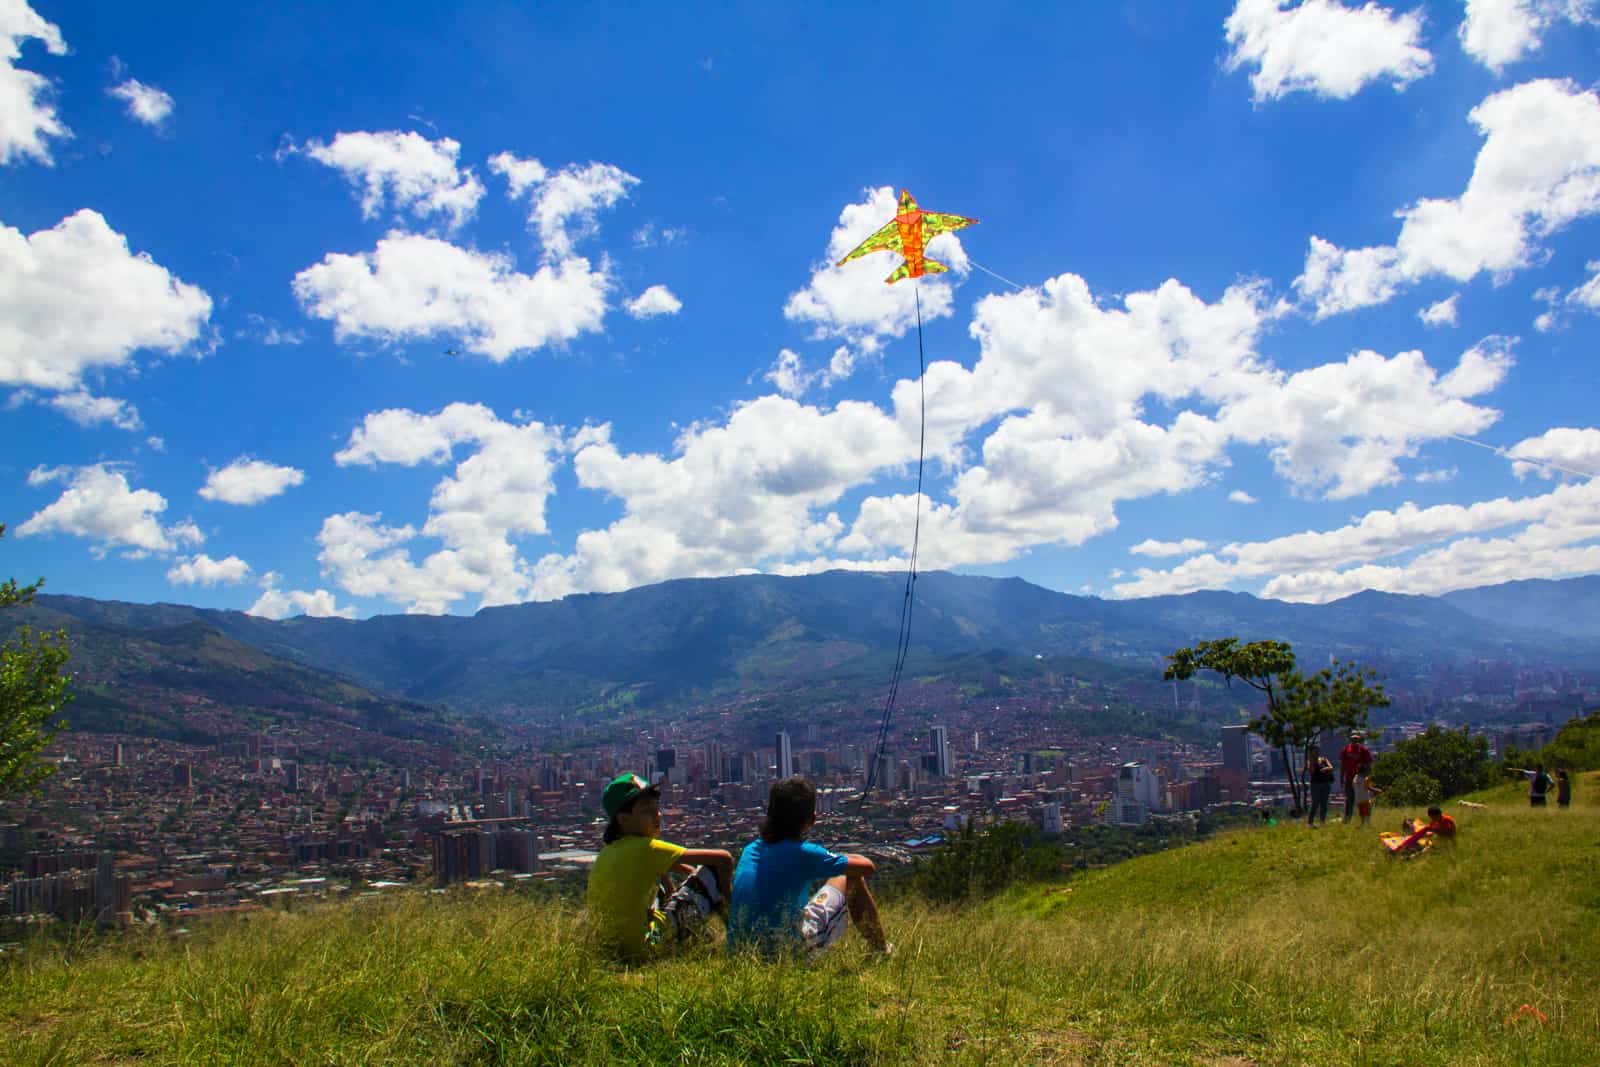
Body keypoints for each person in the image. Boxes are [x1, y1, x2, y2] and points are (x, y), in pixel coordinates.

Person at [727, 775, 888, 957]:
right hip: (786, 952)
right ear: (812, 819)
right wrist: (847, 857)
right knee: (849, 877)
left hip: (739, 952)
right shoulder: (805, 853)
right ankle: (881, 951)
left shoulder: (750, 850)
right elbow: (867, 867)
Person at [585, 772, 734, 960]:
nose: (657, 816)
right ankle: (736, 933)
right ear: (623, 819)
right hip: (649, 946)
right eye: (647, 810)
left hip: (615, 948)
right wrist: (724, 895)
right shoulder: (645, 848)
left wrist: (684, 882)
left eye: (657, 809)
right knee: (712, 870)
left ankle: (701, 944)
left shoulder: (610, 851)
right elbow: (724, 859)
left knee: (662, 884)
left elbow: (666, 869)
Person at [1339, 731, 1374, 823]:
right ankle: (1347, 819)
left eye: (1356, 739)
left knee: (1364, 800)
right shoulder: (1345, 750)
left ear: (1359, 740)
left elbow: (1369, 764)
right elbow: (1343, 765)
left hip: (1361, 779)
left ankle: (1364, 820)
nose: (1354, 740)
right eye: (1353, 739)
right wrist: (1341, 778)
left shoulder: (1364, 750)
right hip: (1349, 779)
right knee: (1349, 800)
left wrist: (1367, 777)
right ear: (1350, 740)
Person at [1392, 805, 1456, 853]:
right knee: (1419, 844)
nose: (1432, 819)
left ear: (1438, 814)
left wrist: (1434, 830)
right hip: (1436, 840)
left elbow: (1450, 835)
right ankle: (1403, 847)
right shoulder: (1435, 821)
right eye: (1431, 817)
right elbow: (1431, 830)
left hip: (1447, 843)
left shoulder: (1446, 820)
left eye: (1433, 817)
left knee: (1425, 850)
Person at [1306, 746, 1336, 828]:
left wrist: (1325, 768)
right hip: (1315, 784)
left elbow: (1331, 767)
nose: (1316, 753)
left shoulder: (1323, 759)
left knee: (1324, 803)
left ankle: (1322, 821)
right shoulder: (1310, 761)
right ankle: (1310, 822)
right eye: (1314, 751)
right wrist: (1313, 761)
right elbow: (1311, 771)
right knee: (1315, 804)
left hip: (1325, 783)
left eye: (1317, 751)